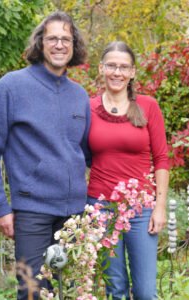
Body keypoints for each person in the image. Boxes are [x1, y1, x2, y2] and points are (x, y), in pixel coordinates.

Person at [0, 11, 90, 299]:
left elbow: (84, 153)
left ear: (74, 45)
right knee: (33, 293)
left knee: (72, 292)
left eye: (66, 39)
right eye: (53, 38)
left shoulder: (80, 96)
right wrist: (1, 209)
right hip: (32, 211)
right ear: (40, 43)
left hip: (74, 216)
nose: (60, 44)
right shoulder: (11, 87)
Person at [87, 41, 169, 299]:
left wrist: (160, 206)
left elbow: (162, 159)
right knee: (116, 288)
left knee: (145, 292)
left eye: (123, 67)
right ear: (101, 68)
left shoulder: (148, 106)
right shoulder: (87, 108)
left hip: (142, 210)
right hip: (101, 210)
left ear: (133, 72)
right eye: (111, 65)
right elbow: (80, 155)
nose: (117, 72)